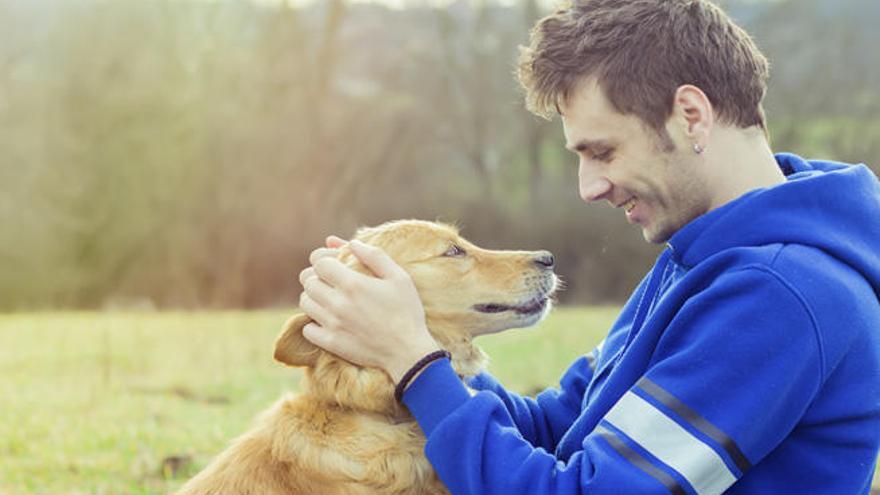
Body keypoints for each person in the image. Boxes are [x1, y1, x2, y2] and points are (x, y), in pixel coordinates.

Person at [296, 0, 880, 493]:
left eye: (602, 152)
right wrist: (417, 341)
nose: (589, 187)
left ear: (692, 117)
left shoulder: (780, 295)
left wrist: (413, 361)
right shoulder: (705, 257)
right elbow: (554, 425)